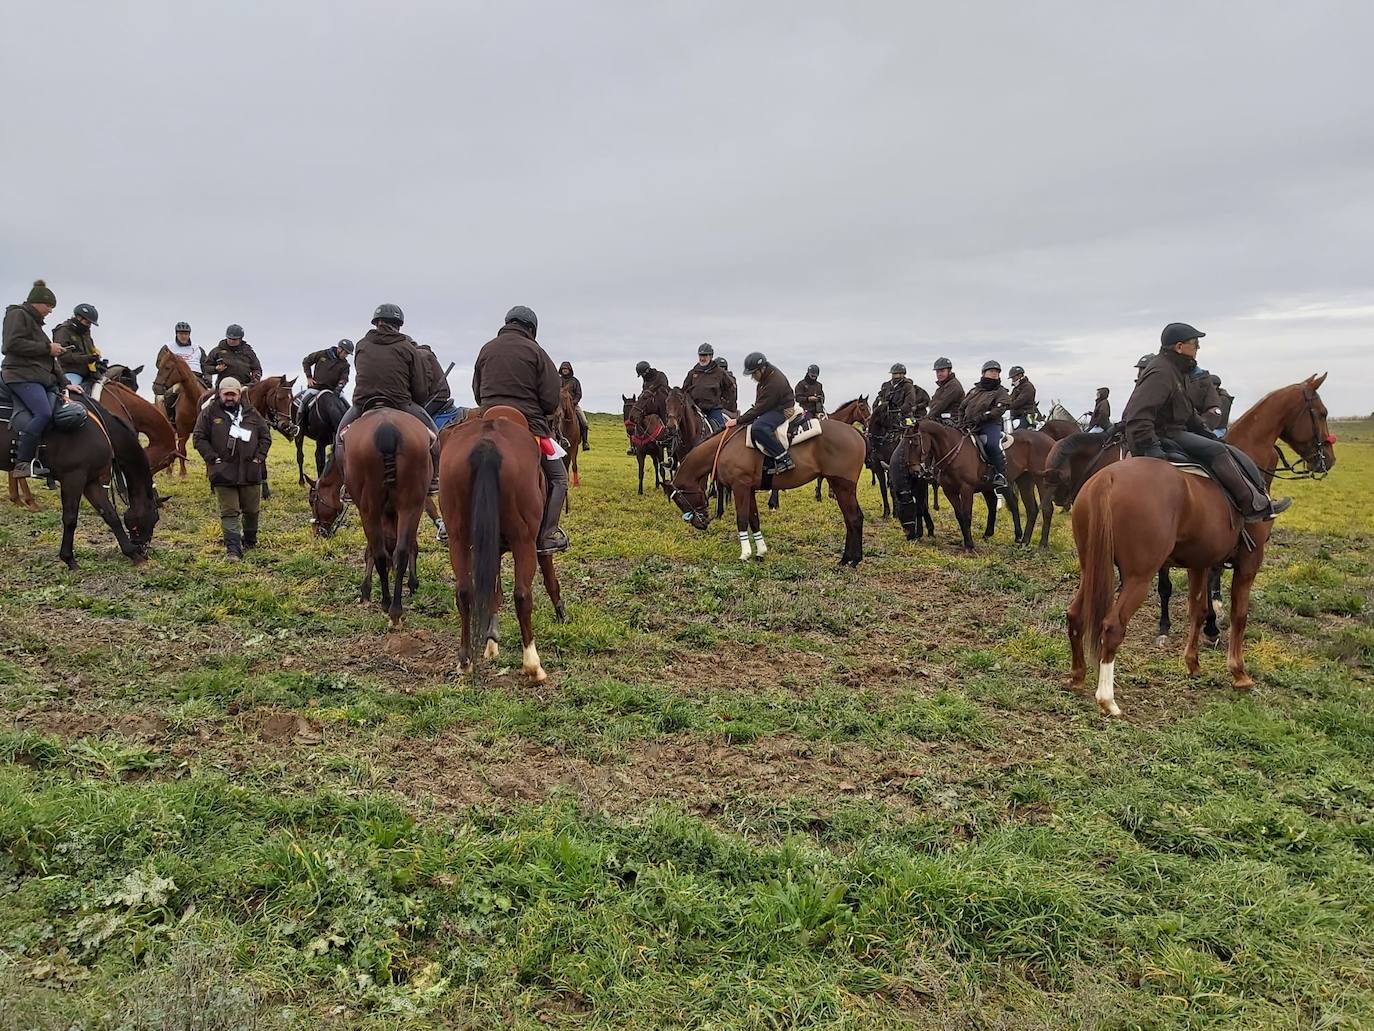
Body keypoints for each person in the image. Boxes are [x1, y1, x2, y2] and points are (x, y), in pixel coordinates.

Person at [1122, 322, 1289, 523]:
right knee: (1217, 451)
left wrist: (1206, 432)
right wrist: (1151, 447)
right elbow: (1138, 414)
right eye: (1195, 343)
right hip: (1165, 435)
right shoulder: (1161, 372)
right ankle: (1251, 504)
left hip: (1172, 431)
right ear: (1179, 346)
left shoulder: (1174, 371)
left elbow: (1186, 411)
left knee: (1219, 445)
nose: (1198, 348)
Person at [473, 305, 569, 554]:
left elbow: (476, 390)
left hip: (487, 419)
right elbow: (550, 399)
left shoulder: (486, 348)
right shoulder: (537, 352)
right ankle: (547, 535)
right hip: (529, 425)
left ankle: (452, 527)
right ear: (531, 329)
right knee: (559, 479)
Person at [333, 304, 440, 492]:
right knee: (434, 437)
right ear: (398, 325)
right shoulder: (408, 348)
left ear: (376, 323)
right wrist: (416, 401)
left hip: (363, 404)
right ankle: (434, 479)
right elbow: (420, 388)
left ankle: (348, 485)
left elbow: (362, 372)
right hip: (400, 402)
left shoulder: (361, 345)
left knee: (340, 440)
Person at [192, 377, 271, 559]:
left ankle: (250, 541)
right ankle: (233, 550)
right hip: (223, 471)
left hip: (250, 471)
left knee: (252, 511)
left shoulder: (252, 413)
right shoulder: (209, 413)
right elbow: (198, 437)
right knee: (229, 512)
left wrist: (259, 459)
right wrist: (212, 458)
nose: (229, 397)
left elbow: (265, 437)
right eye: (226, 394)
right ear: (219, 394)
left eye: (233, 394)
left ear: (239, 394)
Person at [2, 281, 66, 478]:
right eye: (49, 306)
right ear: (38, 302)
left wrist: (65, 383)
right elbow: (10, 344)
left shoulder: (36, 325)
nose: (50, 311)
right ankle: (22, 462)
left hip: (37, 378)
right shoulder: (17, 314)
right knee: (43, 414)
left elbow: (49, 360)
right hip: (20, 375)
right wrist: (48, 348)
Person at [725, 352, 795, 473]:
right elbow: (760, 404)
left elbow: (760, 408)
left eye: (754, 373)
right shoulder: (766, 376)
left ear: (762, 369)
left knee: (759, 427)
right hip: (773, 407)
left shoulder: (774, 382)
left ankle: (783, 458)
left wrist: (737, 420)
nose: (752, 377)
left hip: (783, 410)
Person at [958, 360, 1012, 489]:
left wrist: (984, 416)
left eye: (996, 372)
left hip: (990, 425)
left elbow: (999, 409)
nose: (994, 374)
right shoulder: (974, 391)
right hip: (970, 425)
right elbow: (961, 407)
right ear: (983, 373)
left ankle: (1000, 474)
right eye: (991, 371)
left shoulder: (1001, 392)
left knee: (992, 445)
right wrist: (960, 422)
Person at [682, 343, 731, 430]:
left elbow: (730, 389)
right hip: (695, 409)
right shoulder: (692, 373)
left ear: (711, 356)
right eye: (700, 355)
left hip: (713, 410)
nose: (702, 358)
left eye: (705, 355)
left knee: (721, 431)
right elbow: (684, 390)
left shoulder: (719, 372)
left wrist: (725, 404)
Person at [53, 303, 101, 387]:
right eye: (87, 322)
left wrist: (97, 361)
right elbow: (63, 357)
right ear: (78, 318)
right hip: (71, 372)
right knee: (70, 392)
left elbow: (90, 349)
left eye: (90, 324)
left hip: (89, 373)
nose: (89, 326)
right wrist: (87, 358)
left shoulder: (85, 332)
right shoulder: (63, 331)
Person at [558, 361, 590, 450]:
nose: (565, 370)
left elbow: (579, 394)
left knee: (584, 422)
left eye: (566, 369)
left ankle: (585, 442)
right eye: (563, 369)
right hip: (560, 406)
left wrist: (573, 403)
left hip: (573, 406)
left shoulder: (575, 381)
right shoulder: (558, 380)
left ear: (570, 370)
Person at [1186, 366, 1225, 433]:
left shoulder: (1223, 398)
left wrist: (1201, 427)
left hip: (1214, 427)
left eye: (1215, 385)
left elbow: (1215, 411)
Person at [927, 357, 964, 422]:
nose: (939, 374)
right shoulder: (942, 387)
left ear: (949, 371)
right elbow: (932, 403)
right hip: (941, 419)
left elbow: (940, 404)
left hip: (953, 420)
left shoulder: (953, 385)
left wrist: (926, 418)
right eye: (937, 372)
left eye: (942, 371)